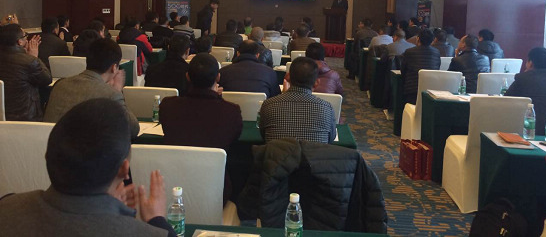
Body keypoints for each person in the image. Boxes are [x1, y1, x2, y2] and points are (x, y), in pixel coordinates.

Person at [0, 98, 177, 236]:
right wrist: (157, 220)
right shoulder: (150, 233)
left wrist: (110, 208)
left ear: (48, 156)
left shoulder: (6, 207)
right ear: (124, 169)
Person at [159, 53, 243, 203]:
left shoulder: (167, 106)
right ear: (218, 77)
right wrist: (218, 98)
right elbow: (233, 136)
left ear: (187, 77)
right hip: (215, 192)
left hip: (172, 188)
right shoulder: (231, 111)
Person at [44, 38, 140, 138]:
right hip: (82, 147)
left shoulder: (60, 84)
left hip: (49, 145)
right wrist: (117, 90)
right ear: (114, 67)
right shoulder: (111, 94)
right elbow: (132, 129)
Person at [259, 57, 336, 143]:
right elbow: (330, 139)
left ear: (287, 77)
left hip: (277, 152)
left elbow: (263, 135)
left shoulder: (268, 105)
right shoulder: (327, 108)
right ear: (316, 83)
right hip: (314, 152)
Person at [0, 24, 51, 121]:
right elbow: (47, 79)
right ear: (19, 42)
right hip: (25, 118)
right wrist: (34, 57)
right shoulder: (29, 61)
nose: (27, 39)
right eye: (25, 36)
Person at [506, 47, 546, 136]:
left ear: (530, 63)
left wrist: (526, 74)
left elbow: (506, 102)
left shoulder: (522, 78)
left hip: (528, 133)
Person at [401, 29, 441, 104]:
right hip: (430, 91)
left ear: (418, 39)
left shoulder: (409, 52)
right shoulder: (437, 52)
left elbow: (403, 70)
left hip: (412, 90)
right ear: (432, 40)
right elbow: (437, 68)